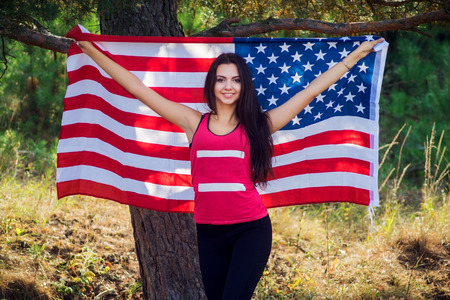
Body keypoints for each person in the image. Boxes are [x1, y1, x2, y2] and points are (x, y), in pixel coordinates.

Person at [76, 37, 383, 299]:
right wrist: (91, 51)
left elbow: (309, 92)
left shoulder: (259, 125)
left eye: (235, 79)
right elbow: (140, 89)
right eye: (221, 79)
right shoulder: (193, 122)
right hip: (209, 232)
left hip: (251, 229)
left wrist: (354, 57)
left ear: (244, 85)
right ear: (212, 84)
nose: (228, 86)